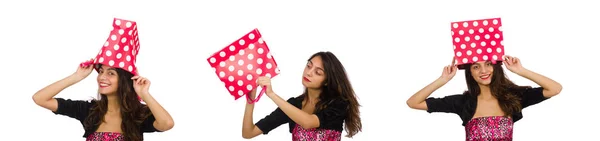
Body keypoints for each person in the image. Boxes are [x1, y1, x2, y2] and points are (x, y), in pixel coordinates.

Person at [406, 55, 562, 140]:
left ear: (495, 67)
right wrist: (443, 80)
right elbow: (413, 102)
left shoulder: (513, 98)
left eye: (488, 64)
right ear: (470, 72)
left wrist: (521, 70)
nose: (483, 70)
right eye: (476, 66)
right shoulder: (462, 102)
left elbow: (555, 89)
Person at [32, 59, 175, 141]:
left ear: (125, 80)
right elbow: (40, 98)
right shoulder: (88, 110)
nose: (101, 77)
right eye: (101, 71)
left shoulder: (138, 115)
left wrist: (144, 94)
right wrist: (76, 77)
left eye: (111, 73)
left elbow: (167, 123)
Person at [241, 51, 362, 141]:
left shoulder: (338, 104)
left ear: (326, 81)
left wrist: (271, 94)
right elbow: (248, 133)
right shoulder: (293, 105)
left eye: (318, 72)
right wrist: (251, 97)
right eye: (309, 66)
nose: (309, 72)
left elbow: (308, 122)